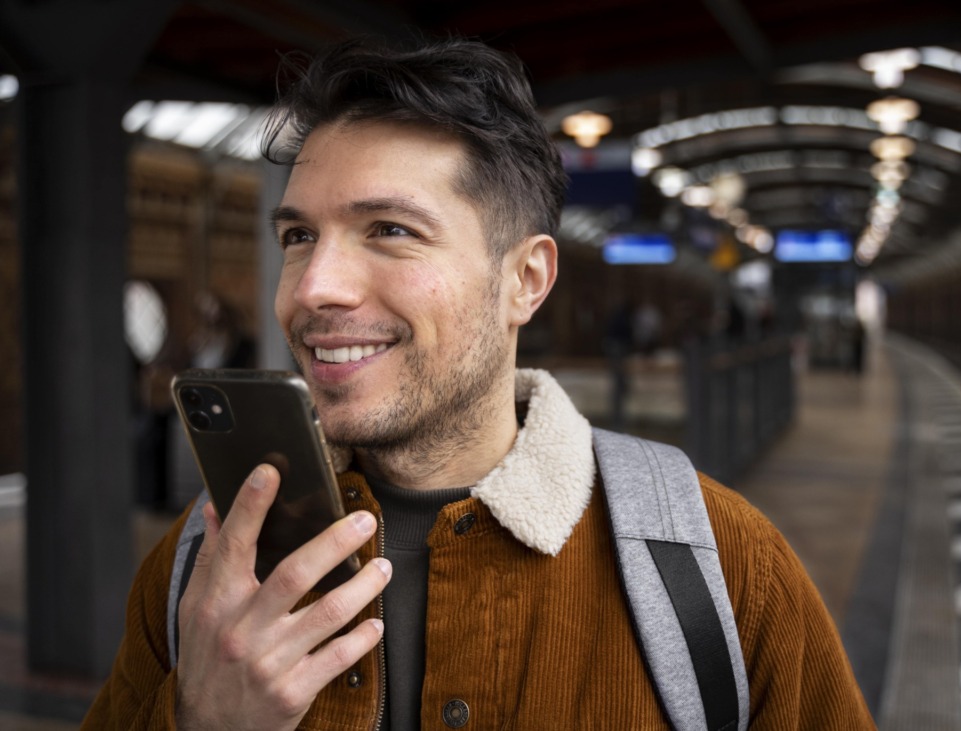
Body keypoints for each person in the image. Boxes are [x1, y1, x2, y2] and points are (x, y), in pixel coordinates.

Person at [83, 37, 875, 729]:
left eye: (389, 230)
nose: (313, 286)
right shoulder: (206, 567)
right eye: (298, 235)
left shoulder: (719, 566)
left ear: (525, 279)